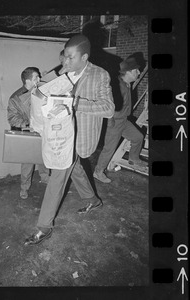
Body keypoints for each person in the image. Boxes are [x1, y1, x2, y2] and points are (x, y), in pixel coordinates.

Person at [24, 34, 115, 246]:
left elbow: (109, 109)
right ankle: (93, 200)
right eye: (64, 57)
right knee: (73, 167)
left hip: (80, 135)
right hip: (62, 133)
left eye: (70, 58)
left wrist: (75, 104)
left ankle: (44, 227)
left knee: (58, 175)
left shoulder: (99, 75)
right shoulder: (65, 72)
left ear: (84, 57)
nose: (65, 62)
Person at [93, 55, 146, 183]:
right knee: (109, 148)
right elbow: (108, 104)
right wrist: (110, 121)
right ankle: (98, 172)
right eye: (136, 71)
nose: (139, 73)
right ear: (128, 72)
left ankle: (134, 159)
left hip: (124, 120)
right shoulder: (118, 85)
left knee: (138, 137)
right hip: (115, 121)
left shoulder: (127, 84)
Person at [7, 67, 50, 199]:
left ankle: (45, 178)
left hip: (43, 130)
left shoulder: (42, 91)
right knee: (27, 163)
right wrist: (28, 124)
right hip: (29, 132)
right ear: (27, 81)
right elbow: (12, 118)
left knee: (45, 157)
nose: (39, 80)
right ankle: (24, 188)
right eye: (36, 78)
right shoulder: (15, 98)